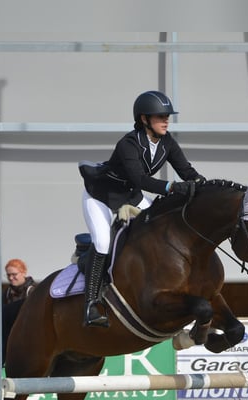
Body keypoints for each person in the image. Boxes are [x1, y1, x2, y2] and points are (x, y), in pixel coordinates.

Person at [77, 90, 205, 328]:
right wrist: (172, 187)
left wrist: (205, 188)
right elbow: (141, 179)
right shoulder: (128, 143)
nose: (166, 120)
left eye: (167, 116)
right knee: (104, 242)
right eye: (160, 116)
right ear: (144, 119)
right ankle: (91, 304)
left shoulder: (167, 143)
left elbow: (188, 172)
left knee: (157, 230)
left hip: (130, 196)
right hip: (101, 196)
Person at [2, 259, 37, 363]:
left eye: (14, 274)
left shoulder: (32, 291)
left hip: (27, 337)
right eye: (8, 275)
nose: (11, 278)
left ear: (23, 273)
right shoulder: (7, 292)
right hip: (10, 337)